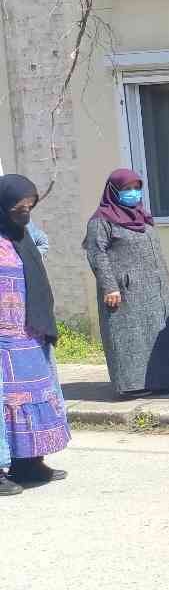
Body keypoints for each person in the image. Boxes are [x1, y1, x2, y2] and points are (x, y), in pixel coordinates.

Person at [83, 169, 169, 397]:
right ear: (113, 191)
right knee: (132, 337)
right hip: (125, 290)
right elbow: (96, 254)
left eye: (136, 188)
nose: (133, 193)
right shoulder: (101, 220)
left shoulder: (142, 216)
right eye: (126, 189)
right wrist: (110, 286)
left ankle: (162, 380)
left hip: (154, 288)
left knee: (155, 335)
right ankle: (132, 385)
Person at [0, 175, 69, 495]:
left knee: (34, 397)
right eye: (18, 207)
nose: (25, 212)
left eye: (30, 207)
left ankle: (28, 461)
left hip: (28, 333)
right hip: (2, 338)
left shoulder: (23, 236)